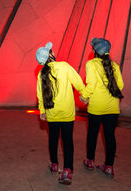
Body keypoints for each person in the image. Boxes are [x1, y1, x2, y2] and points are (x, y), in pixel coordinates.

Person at [36, 42, 85, 185]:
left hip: (52, 114)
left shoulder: (41, 74)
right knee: (67, 140)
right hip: (67, 113)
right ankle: (68, 170)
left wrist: (42, 111)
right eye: (51, 51)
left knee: (53, 139)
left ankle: (54, 164)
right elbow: (78, 82)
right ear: (50, 55)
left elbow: (40, 96)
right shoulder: (64, 66)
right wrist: (84, 94)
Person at [80, 38, 124, 178]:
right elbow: (120, 86)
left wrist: (83, 96)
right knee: (110, 136)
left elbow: (91, 85)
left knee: (92, 134)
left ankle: (90, 161)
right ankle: (109, 167)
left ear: (94, 50)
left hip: (96, 108)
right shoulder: (115, 66)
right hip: (112, 108)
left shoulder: (91, 64)